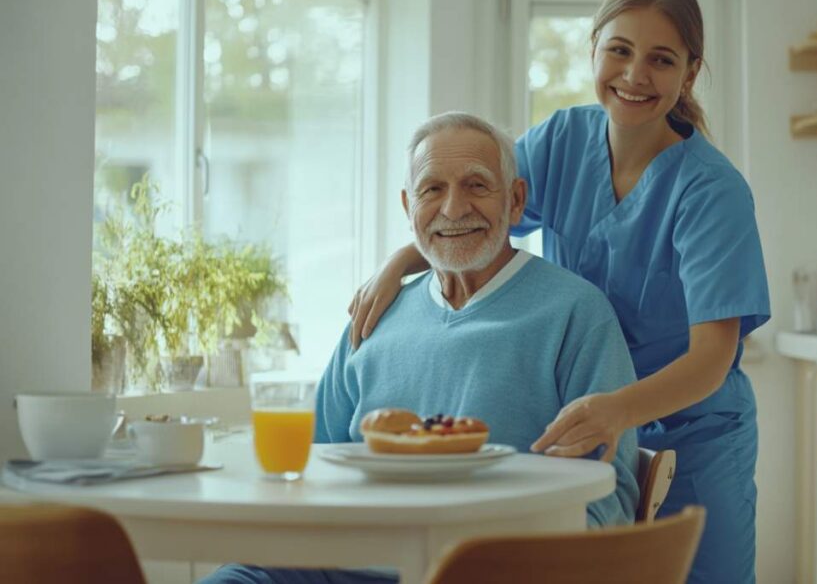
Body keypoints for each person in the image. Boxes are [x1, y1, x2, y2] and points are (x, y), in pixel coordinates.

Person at [347, 0, 770, 583]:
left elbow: (712, 358)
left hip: (692, 433)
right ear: (594, 48)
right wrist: (398, 264)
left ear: (690, 73)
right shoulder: (561, 141)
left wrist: (617, 409)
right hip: (591, 427)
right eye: (620, 50)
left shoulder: (711, 190)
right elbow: (472, 210)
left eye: (661, 59)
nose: (635, 75)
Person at [203, 112, 640, 584]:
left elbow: (609, 497)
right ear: (408, 206)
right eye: (433, 189)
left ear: (515, 202)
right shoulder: (378, 312)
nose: (453, 209)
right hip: (339, 563)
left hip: (489, 569)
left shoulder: (576, 312)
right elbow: (313, 463)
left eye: (476, 185)